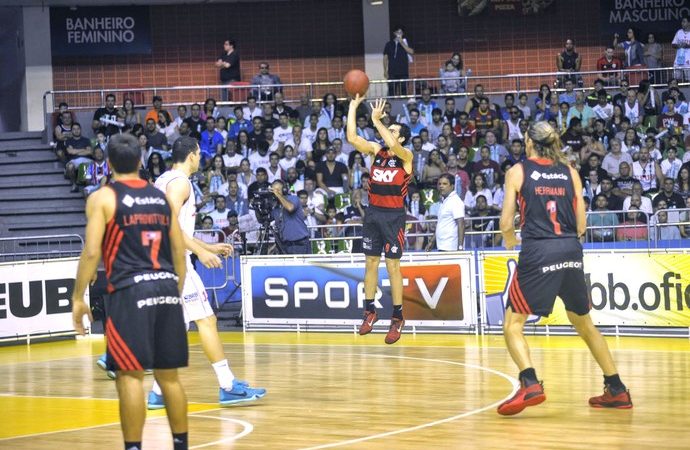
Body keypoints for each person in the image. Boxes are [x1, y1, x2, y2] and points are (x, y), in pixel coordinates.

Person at [497, 121, 632, 416]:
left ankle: (529, 381)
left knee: (512, 325)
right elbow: (582, 225)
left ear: (529, 143)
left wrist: (510, 241)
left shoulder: (518, 171)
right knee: (584, 323)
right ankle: (617, 388)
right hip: (571, 249)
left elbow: (506, 223)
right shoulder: (571, 172)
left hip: (538, 252)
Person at [71, 134, 189, 450]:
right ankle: (181, 445)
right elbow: (179, 252)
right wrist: (173, 290)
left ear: (108, 164)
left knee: (130, 377)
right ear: (140, 161)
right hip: (165, 287)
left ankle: (134, 447)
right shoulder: (160, 197)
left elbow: (92, 253)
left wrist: (78, 297)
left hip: (129, 291)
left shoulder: (103, 198)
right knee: (169, 378)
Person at [148, 136, 266, 409]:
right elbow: (169, 226)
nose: (201, 158)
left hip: (163, 260)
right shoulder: (180, 184)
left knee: (176, 328)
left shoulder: (164, 180)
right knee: (207, 320)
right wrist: (200, 253)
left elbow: (178, 229)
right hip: (175, 262)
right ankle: (227, 385)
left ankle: (157, 392)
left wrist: (207, 245)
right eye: (199, 154)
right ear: (191, 155)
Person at [347, 94, 412, 344]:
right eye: (389, 129)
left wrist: (378, 122)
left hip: (394, 217)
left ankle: (397, 317)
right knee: (371, 263)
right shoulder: (376, 151)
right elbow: (352, 138)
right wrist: (353, 107)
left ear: (402, 137)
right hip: (373, 213)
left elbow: (393, 146)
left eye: (394, 130)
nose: (389, 133)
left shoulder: (405, 155)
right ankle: (369, 311)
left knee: (393, 266)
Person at [269, 179, 310, 254]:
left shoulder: (293, 198)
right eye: (273, 190)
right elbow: (263, 220)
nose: (275, 193)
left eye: (278, 190)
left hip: (299, 244)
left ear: (284, 190)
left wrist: (278, 194)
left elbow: (290, 208)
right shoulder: (275, 207)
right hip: (285, 245)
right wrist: (256, 206)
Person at [425, 174, 465, 251]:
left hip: (451, 248)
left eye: (445, 184)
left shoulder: (455, 201)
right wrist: (431, 242)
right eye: (439, 184)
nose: (441, 186)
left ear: (452, 186)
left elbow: (461, 224)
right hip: (442, 246)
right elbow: (441, 224)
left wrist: (460, 248)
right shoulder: (445, 201)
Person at [383, 26, 414, 96]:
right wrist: (385, 70)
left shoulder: (406, 42)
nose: (399, 34)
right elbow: (385, 58)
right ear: (394, 33)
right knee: (391, 90)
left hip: (403, 71)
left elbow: (411, 52)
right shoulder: (389, 44)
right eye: (398, 32)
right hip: (392, 72)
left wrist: (402, 43)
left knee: (403, 90)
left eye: (401, 32)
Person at [672, 16, 690, 80]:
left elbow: (687, 45)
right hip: (679, 57)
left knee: (689, 79)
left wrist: (687, 45)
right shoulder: (679, 32)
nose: (682, 23)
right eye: (682, 22)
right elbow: (673, 44)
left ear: (689, 23)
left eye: (684, 22)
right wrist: (679, 45)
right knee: (676, 78)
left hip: (689, 58)